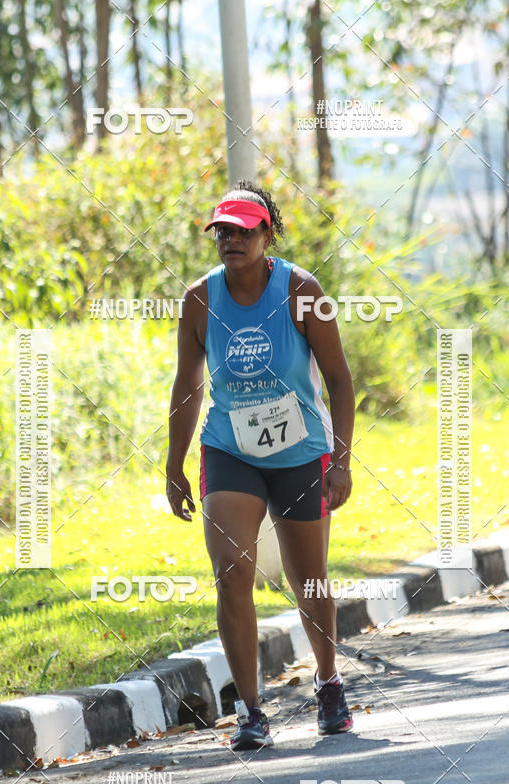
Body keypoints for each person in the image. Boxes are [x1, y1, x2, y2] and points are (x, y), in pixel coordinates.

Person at [166, 180, 355, 750]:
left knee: (309, 577)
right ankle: (251, 710)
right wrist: (173, 466)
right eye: (222, 230)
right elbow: (188, 385)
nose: (231, 240)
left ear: (266, 234)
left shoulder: (302, 290)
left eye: (244, 230)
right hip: (231, 449)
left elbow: (341, 381)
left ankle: (328, 682)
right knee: (231, 572)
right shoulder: (200, 299)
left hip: (299, 450)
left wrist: (341, 462)